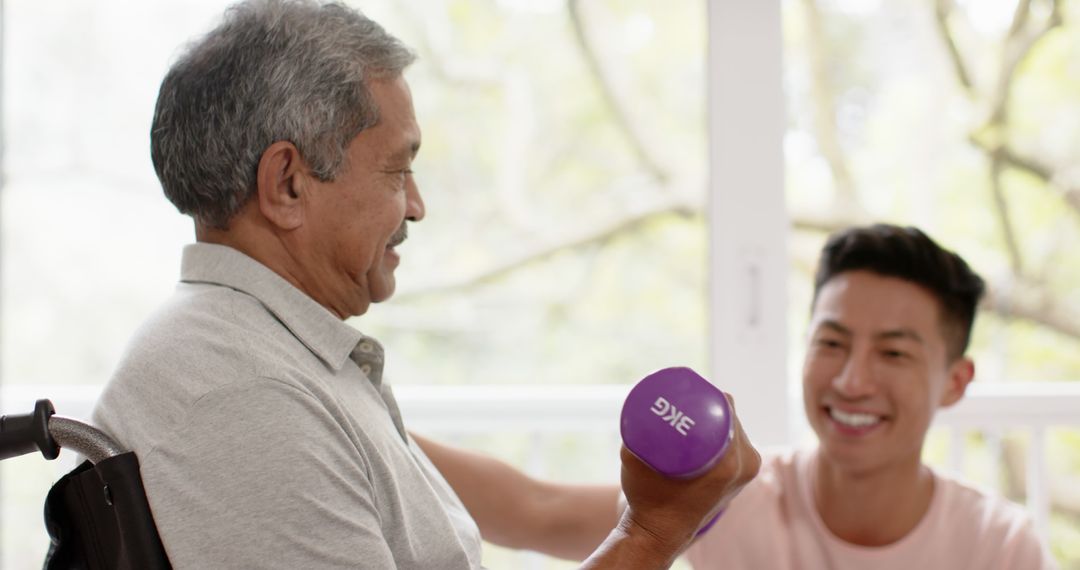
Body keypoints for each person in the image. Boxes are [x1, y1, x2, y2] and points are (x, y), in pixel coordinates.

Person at [91, 1, 759, 568]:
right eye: (395, 171)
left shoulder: (278, 362)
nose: (415, 205)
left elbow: (528, 507)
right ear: (287, 183)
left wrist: (667, 512)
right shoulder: (239, 393)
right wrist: (649, 536)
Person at [685, 224, 1057, 569]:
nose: (851, 382)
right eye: (831, 343)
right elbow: (628, 529)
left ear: (955, 382)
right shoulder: (727, 497)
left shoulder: (1001, 547)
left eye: (893, 353)